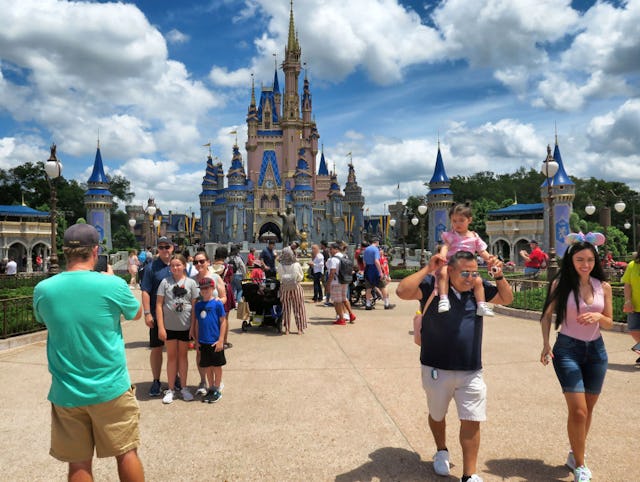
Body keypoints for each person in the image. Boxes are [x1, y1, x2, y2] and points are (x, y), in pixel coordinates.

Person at [33, 223, 144, 481]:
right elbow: (136, 314)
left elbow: (43, 319)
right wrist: (113, 282)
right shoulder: (112, 285)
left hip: (67, 391)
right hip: (111, 388)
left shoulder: (44, 290)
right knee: (126, 453)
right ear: (95, 251)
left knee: (78, 464)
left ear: (64, 252)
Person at [396, 250, 513, 482]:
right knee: (437, 414)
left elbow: (507, 298)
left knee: (472, 418)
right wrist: (428, 269)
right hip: (436, 367)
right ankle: (441, 450)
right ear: (450, 271)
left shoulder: (478, 291)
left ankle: (469, 474)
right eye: (464, 273)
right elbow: (402, 291)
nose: (470, 278)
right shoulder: (433, 286)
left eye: (473, 273)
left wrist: (499, 276)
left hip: (471, 369)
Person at [540, 232, 613, 482]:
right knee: (579, 411)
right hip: (567, 350)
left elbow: (610, 322)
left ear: (596, 261)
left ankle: (574, 452)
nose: (585, 264)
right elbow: (547, 314)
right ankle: (580, 465)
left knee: (588, 409)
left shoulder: (603, 286)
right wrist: (545, 343)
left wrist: (599, 317)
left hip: (596, 352)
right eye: (580, 259)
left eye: (590, 260)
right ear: (571, 260)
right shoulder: (560, 285)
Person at [436, 203, 496, 317]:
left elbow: (482, 251)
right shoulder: (451, 235)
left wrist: (489, 259)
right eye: (454, 221)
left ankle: (481, 305)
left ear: (469, 220)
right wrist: (442, 256)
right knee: (443, 273)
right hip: (452, 264)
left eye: (461, 220)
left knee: (478, 281)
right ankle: (443, 299)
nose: (457, 224)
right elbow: (445, 246)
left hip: (468, 266)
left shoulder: (474, 236)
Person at [156, 254, 199, 404]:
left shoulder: (191, 283)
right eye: (173, 265)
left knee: (183, 357)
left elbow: (194, 307)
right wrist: (161, 327)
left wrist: (193, 327)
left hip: (185, 326)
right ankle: (171, 388)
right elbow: (159, 305)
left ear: (184, 266)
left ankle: (184, 387)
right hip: (170, 327)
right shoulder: (165, 282)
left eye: (178, 265)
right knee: (171, 357)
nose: (175, 268)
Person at [141, 236, 174, 397]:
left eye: (167, 247)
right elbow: (145, 291)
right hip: (156, 315)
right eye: (161, 247)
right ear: (157, 250)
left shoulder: (178, 265)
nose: (164, 250)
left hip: (176, 316)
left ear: (172, 248)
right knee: (156, 349)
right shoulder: (151, 267)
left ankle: (175, 379)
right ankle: (156, 380)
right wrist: (147, 313)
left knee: (175, 350)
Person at [191, 250, 226, 396]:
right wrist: (193, 327)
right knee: (201, 354)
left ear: (208, 262)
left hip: (215, 321)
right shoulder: (192, 280)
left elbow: (224, 297)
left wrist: (218, 301)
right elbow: (193, 305)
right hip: (201, 322)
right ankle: (203, 381)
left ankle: (215, 385)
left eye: (201, 261)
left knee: (215, 359)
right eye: (196, 262)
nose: (199, 264)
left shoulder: (215, 277)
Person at [277, 246, 307, 334]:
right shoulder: (296, 264)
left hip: (284, 287)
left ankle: (287, 329)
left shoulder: (280, 265)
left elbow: (280, 276)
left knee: (286, 309)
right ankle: (300, 329)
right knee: (299, 308)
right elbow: (301, 276)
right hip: (296, 287)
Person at [212, 246, 235, 349]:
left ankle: (213, 338)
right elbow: (230, 279)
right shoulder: (228, 267)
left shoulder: (211, 267)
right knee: (225, 317)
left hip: (213, 290)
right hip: (225, 290)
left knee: (214, 316)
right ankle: (224, 340)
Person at [363, 238, 394, 310]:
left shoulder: (366, 249)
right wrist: (380, 272)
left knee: (368, 288)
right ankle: (386, 303)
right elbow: (376, 261)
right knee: (383, 286)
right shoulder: (375, 249)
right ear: (376, 242)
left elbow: (364, 261)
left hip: (368, 269)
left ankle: (368, 304)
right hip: (375, 269)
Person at [622, 243, 640, 364]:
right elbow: (627, 284)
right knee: (633, 329)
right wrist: (627, 301)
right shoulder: (632, 265)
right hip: (635, 306)